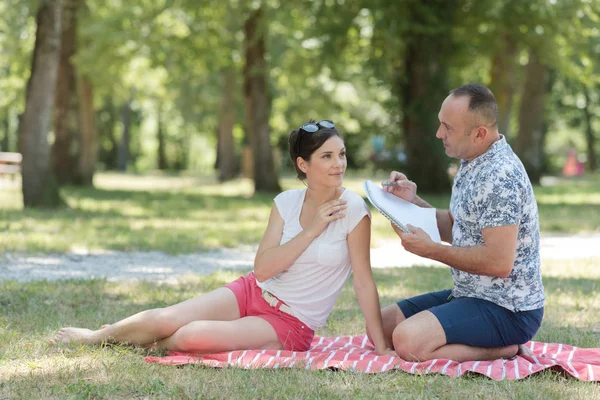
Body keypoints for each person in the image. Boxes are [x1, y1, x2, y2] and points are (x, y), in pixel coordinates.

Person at [51, 119, 393, 356]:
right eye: (327, 156)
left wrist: (379, 346)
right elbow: (262, 270)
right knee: (167, 319)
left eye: (342, 154)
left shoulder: (353, 209)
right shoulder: (286, 203)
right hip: (253, 291)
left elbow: (363, 282)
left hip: (290, 323)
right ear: (303, 165)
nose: (339, 164)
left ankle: (131, 338)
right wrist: (312, 229)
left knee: (189, 335)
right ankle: (96, 338)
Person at [373, 83, 545, 362]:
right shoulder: (472, 160)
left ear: (479, 133)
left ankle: (504, 349)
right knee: (380, 328)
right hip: (470, 294)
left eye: (448, 127)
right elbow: (459, 228)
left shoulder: (500, 176)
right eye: (441, 124)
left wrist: (432, 250)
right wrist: (412, 202)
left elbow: (499, 262)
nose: (439, 133)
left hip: (508, 309)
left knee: (407, 342)